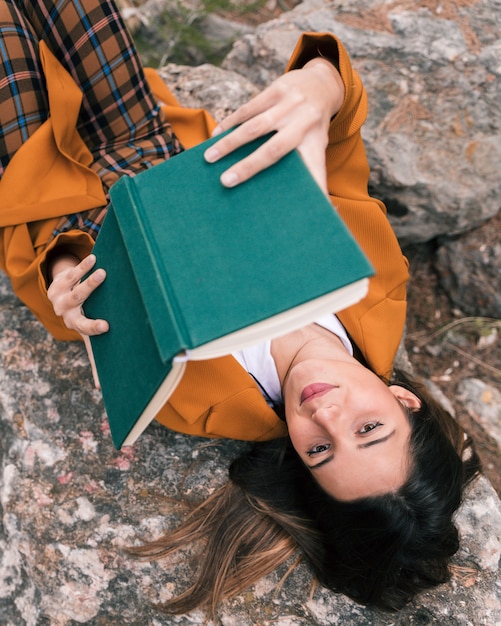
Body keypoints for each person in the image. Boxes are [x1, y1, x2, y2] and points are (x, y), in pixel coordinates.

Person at [0, 0, 481, 617]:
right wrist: (321, 85)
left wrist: (64, 272)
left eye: (321, 451)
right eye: (368, 428)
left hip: (43, 184)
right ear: (405, 401)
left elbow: (83, 298)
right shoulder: (376, 289)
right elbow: (336, 144)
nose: (326, 414)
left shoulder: (196, 402)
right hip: (148, 131)